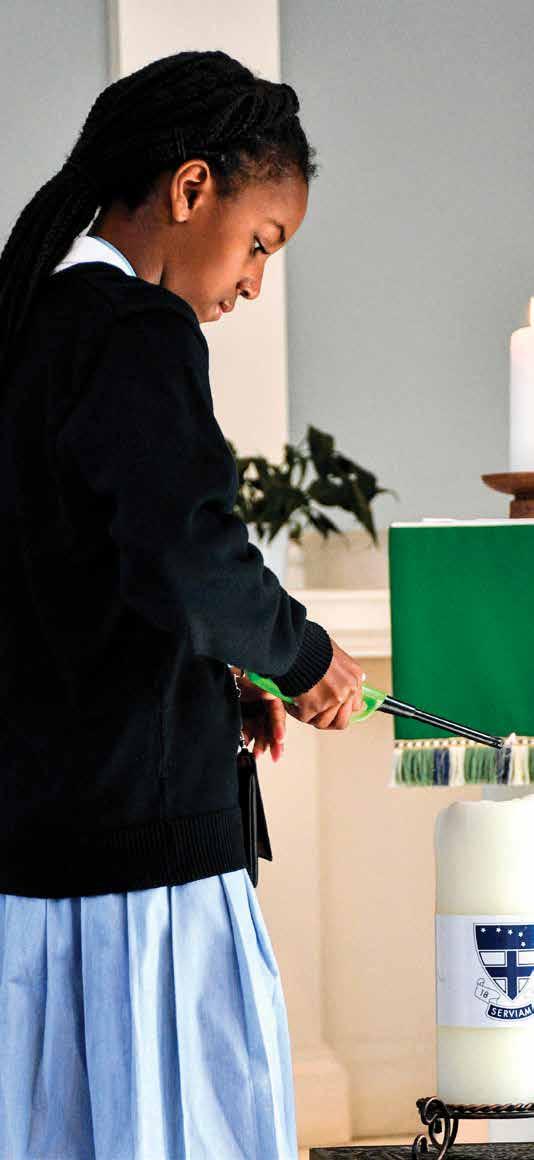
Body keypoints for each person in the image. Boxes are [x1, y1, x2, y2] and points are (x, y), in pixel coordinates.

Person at [0, 49, 364, 1160]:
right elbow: (187, 555)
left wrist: (208, 676)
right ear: (192, 187)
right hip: (143, 871)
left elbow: (80, 575)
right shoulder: (134, 329)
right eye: (261, 243)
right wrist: (302, 656)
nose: (253, 283)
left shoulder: (25, 328)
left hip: (36, 853)